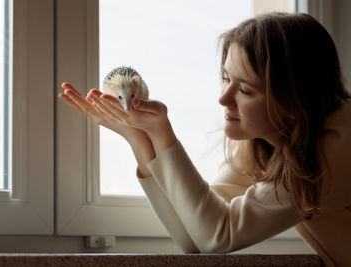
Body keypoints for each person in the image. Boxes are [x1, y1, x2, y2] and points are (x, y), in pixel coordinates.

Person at [58, 12, 351, 267]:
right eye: (226, 78)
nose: (223, 98)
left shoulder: (337, 145)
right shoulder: (262, 142)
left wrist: (163, 133)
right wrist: (141, 140)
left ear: (295, 98)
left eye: (246, 91)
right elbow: (197, 238)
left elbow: (216, 236)